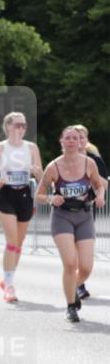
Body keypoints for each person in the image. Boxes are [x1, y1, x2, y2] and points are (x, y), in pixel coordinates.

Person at [35, 126, 105, 322]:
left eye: (76, 138)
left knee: (86, 267)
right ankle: (71, 306)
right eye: (68, 138)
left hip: (84, 216)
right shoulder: (53, 167)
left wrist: (100, 197)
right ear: (62, 142)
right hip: (62, 217)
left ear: (80, 142)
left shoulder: (89, 163)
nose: (73, 141)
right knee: (70, 263)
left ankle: (72, 286)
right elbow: (39, 195)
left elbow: (99, 186)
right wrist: (50, 199)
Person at [0, 112, 43, 303]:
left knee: (19, 243)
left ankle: (7, 278)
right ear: (7, 127)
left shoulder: (31, 148)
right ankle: (9, 285)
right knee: (12, 242)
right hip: (6, 194)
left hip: (24, 195)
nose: (21, 128)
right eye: (17, 125)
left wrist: (36, 172)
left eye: (23, 125)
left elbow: (41, 176)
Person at [72, 124, 108, 301]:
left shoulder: (94, 159)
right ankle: (76, 283)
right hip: (65, 211)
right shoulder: (63, 159)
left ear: (85, 140)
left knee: (83, 249)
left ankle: (78, 283)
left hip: (87, 209)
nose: (80, 141)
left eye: (83, 138)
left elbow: (105, 185)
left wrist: (91, 171)